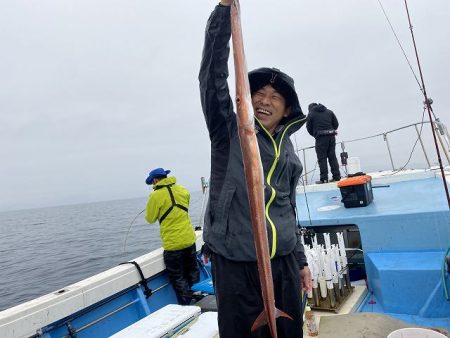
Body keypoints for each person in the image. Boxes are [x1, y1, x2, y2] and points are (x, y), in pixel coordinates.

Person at [199, 2, 312, 338]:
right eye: (257, 92)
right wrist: (223, 12)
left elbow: (288, 208)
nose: (264, 99)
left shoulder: (288, 151)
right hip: (236, 263)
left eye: (275, 96)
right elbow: (211, 75)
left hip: (285, 264)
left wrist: (302, 261)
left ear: (288, 109)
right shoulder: (227, 131)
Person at [144, 167, 199, 305]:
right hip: (189, 240)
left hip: (173, 245)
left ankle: (187, 307)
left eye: (152, 183)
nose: (153, 185)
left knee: (178, 277)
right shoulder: (183, 190)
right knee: (193, 272)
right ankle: (200, 300)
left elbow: (150, 219)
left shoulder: (155, 196)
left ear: (156, 180)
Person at [306, 103, 341, 184]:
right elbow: (336, 124)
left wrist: (315, 134)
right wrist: (330, 130)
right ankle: (337, 177)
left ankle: (324, 179)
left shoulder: (311, 114)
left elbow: (309, 128)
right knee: (332, 156)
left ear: (310, 108)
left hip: (320, 138)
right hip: (332, 136)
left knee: (322, 158)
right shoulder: (329, 112)